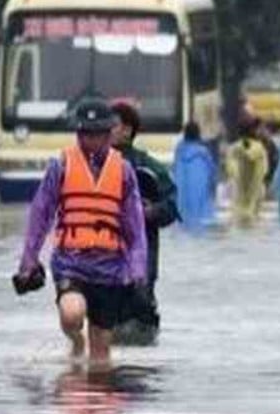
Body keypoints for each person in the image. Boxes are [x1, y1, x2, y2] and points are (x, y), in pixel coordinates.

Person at [12, 97, 148, 364]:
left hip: (110, 268)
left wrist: (137, 270)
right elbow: (40, 214)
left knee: (101, 355)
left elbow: (135, 225)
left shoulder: (124, 171)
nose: (91, 139)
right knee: (72, 313)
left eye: (97, 133)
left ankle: (92, 385)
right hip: (70, 261)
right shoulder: (61, 166)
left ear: (109, 134)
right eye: (85, 133)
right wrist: (29, 260)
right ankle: (76, 340)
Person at [109, 101, 179, 340]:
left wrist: (151, 212)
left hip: (142, 259)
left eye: (113, 124)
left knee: (139, 313)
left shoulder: (150, 168)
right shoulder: (91, 166)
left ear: (128, 130)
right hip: (102, 258)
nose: (106, 129)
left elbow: (172, 207)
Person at [173, 121, 217, 230]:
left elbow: (174, 172)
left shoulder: (179, 151)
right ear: (198, 134)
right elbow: (212, 175)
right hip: (201, 201)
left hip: (181, 199)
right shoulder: (204, 153)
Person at [226, 117, 269, 227]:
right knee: (254, 223)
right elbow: (265, 170)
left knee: (238, 224)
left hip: (238, 195)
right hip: (256, 194)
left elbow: (230, 171)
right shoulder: (260, 148)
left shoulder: (233, 149)